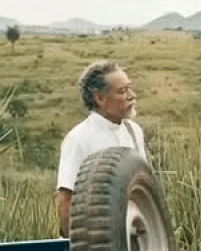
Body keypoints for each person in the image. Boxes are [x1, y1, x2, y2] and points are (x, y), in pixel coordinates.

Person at [56, 60, 146, 237]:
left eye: (129, 88)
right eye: (122, 91)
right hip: (96, 241)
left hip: (131, 235)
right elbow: (66, 199)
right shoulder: (79, 138)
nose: (132, 96)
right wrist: (73, 246)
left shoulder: (134, 131)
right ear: (99, 98)